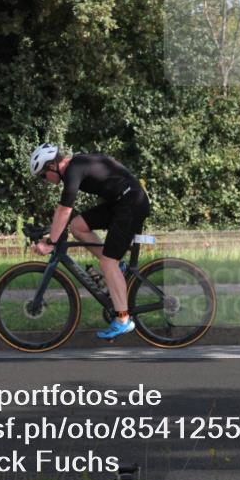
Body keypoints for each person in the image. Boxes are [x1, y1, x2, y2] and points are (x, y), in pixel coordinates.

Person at [28, 143, 151, 339]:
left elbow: (64, 209)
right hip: (122, 201)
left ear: (52, 166)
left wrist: (50, 243)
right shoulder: (76, 165)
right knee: (78, 226)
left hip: (131, 203)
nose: (44, 180)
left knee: (107, 262)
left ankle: (123, 319)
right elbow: (64, 212)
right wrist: (52, 235)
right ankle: (116, 269)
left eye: (43, 175)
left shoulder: (72, 170)